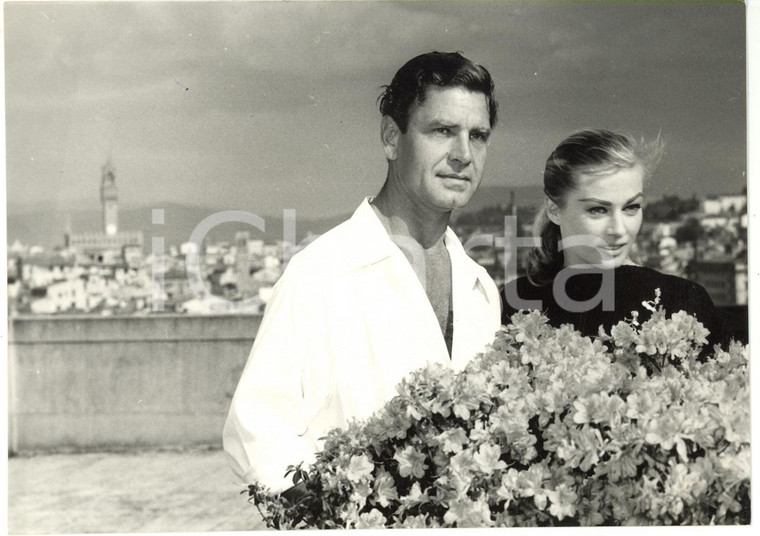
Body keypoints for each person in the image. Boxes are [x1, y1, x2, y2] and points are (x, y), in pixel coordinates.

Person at [224, 51, 502, 495]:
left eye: (479, 135)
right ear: (392, 138)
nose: (464, 154)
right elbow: (255, 433)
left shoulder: (482, 291)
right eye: (443, 131)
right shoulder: (321, 275)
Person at [501, 128, 725, 350]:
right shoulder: (516, 303)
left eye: (631, 207)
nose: (619, 230)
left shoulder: (683, 302)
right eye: (598, 210)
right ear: (554, 210)